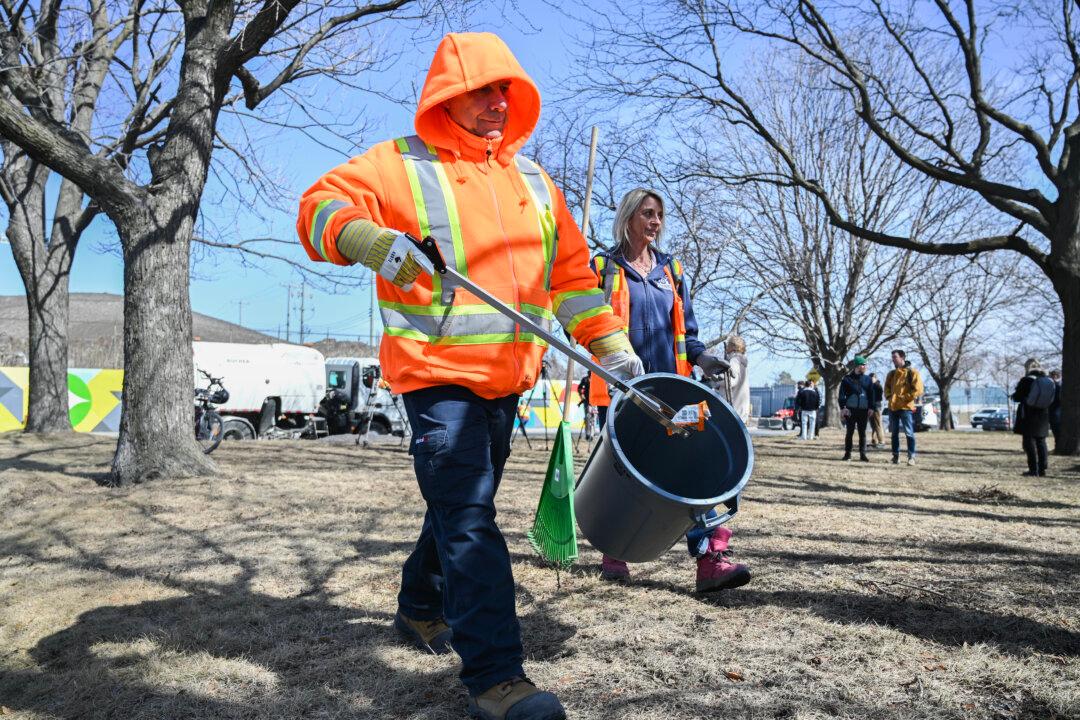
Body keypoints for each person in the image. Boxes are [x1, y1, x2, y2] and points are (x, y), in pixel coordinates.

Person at [297, 32, 642, 720]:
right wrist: (368, 239)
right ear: (448, 96)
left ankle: (420, 606)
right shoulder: (400, 165)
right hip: (434, 377)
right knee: (470, 516)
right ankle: (497, 677)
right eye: (481, 90)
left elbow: (572, 278)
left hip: (507, 380)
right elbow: (319, 206)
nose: (495, 103)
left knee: (457, 505)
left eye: (504, 91)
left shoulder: (537, 184)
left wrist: (614, 349)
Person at [587, 188, 750, 594]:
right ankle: (615, 552)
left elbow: (687, 332)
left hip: (677, 390)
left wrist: (703, 357)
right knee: (626, 472)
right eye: (647, 213)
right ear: (628, 217)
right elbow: (589, 328)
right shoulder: (604, 267)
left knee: (697, 466)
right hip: (625, 390)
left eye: (659, 214)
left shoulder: (671, 269)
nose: (655, 221)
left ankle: (711, 559)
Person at [1013, 359, 1053, 477]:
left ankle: (1033, 469)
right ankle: (1042, 469)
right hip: (1043, 413)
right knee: (1041, 441)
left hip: (1029, 413)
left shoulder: (1026, 380)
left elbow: (1017, 397)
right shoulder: (1047, 381)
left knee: (1029, 441)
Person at [884, 349, 923, 466]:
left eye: (895, 357)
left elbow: (918, 390)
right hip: (893, 408)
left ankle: (911, 457)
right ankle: (895, 457)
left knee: (909, 433)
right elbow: (886, 388)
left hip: (906, 408)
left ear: (902, 358)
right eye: (892, 357)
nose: (893, 359)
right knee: (894, 434)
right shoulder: (891, 374)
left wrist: (904, 397)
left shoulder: (912, 372)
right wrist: (889, 397)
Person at [838, 356, 879, 462]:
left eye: (865, 365)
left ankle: (863, 454)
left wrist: (871, 407)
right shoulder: (847, 379)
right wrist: (843, 408)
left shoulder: (868, 379)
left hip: (863, 410)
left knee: (862, 433)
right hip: (850, 410)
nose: (865, 367)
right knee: (849, 432)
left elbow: (871, 395)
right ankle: (848, 454)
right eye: (863, 364)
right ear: (857, 366)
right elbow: (842, 395)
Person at [725, 336, 752, 425]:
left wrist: (716, 381)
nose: (726, 347)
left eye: (728, 345)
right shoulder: (743, 362)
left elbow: (731, 381)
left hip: (734, 408)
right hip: (741, 408)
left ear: (733, 346)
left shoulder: (734, 360)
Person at [868, 372, 885, 447]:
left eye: (873, 377)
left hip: (876, 407)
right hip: (870, 408)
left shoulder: (878, 386)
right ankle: (874, 441)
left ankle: (881, 441)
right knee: (873, 425)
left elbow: (879, 396)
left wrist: (875, 383)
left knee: (878, 425)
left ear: (875, 378)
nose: (871, 379)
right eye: (870, 378)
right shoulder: (870, 386)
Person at [1049, 368, 1062, 447]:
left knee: (1056, 428)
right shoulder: (1057, 385)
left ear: (1055, 376)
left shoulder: (1057, 386)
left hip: (1055, 410)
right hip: (1055, 410)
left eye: (1051, 376)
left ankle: (1058, 445)